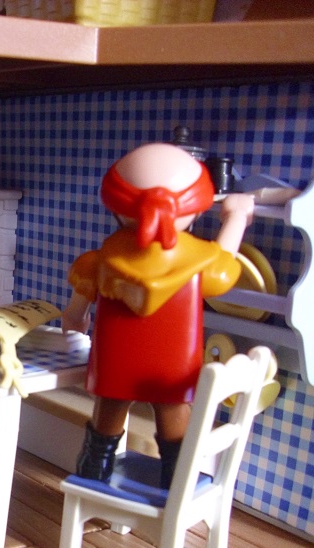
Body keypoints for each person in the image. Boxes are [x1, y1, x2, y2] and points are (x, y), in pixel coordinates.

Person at [61, 142, 255, 488]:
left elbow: (75, 315)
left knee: (110, 406)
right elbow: (225, 265)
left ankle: (94, 471)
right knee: (174, 411)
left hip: (115, 362)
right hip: (173, 368)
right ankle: (178, 482)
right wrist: (236, 217)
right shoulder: (202, 262)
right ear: (195, 206)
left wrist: (75, 328)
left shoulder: (99, 261)